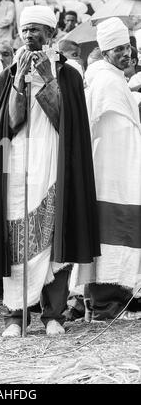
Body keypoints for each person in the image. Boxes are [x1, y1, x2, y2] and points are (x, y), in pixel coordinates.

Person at [0, 5, 100, 337]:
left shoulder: (69, 75)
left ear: (51, 34)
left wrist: (47, 80)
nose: (29, 36)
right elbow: (8, 124)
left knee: (55, 234)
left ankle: (53, 314)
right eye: (25, 30)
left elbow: (64, 122)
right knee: (15, 239)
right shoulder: (9, 74)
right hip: (14, 165)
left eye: (37, 30)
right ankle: (16, 315)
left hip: (54, 160)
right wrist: (19, 85)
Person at [74, 17, 141, 321]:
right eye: (118, 49)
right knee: (110, 237)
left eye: (127, 46)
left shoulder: (112, 76)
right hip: (108, 172)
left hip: (122, 170)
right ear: (104, 51)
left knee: (120, 235)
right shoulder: (104, 80)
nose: (125, 53)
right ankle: (105, 305)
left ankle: (115, 301)